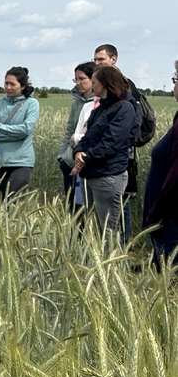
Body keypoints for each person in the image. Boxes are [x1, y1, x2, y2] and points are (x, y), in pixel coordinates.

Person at [71, 65, 138, 242]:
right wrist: (78, 152)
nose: (92, 86)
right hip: (92, 173)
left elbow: (111, 143)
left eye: (94, 82)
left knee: (109, 229)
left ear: (106, 84)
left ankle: (113, 266)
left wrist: (84, 159)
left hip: (108, 175)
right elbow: (88, 136)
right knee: (93, 225)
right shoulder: (101, 108)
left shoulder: (124, 109)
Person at [143, 60, 178, 269]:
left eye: (175, 79)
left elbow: (176, 176)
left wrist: (157, 213)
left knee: (171, 291)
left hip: (172, 222)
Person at [0, 67, 40, 199]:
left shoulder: (31, 104)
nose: (8, 87)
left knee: (14, 201)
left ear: (23, 86)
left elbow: (25, 130)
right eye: (6, 83)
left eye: (12, 84)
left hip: (21, 162)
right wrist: (15, 133)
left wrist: (0, 126)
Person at [56, 62, 95, 204]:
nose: (78, 83)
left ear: (93, 79)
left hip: (88, 162)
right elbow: (69, 130)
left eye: (82, 79)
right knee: (71, 206)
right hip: (69, 162)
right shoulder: (77, 101)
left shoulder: (100, 102)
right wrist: (62, 156)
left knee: (87, 207)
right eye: (75, 79)